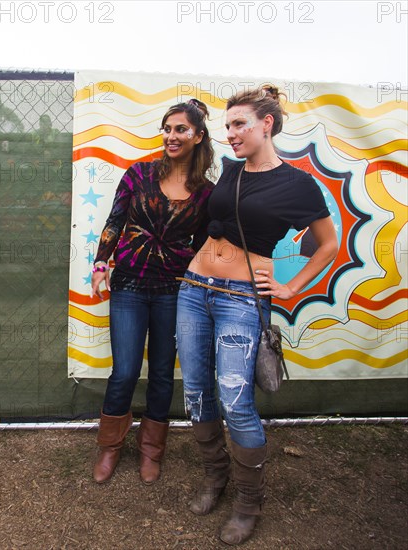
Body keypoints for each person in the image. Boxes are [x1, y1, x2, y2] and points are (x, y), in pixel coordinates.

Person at [176, 85, 339, 545]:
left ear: (267, 124)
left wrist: (290, 286)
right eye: (227, 126)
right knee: (195, 392)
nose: (231, 134)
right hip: (195, 289)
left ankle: (249, 502)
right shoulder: (229, 170)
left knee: (235, 400)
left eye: (240, 124)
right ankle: (215, 476)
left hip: (241, 299)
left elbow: (327, 244)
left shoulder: (297, 184)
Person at [91, 99, 215, 486]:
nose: (172, 136)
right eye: (168, 128)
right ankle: (109, 448)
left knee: (162, 373)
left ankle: (151, 451)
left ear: (197, 136)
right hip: (128, 284)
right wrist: (99, 265)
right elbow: (114, 221)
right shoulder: (138, 174)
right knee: (125, 371)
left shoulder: (206, 193)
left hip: (175, 291)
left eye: (181, 129)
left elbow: (202, 245)